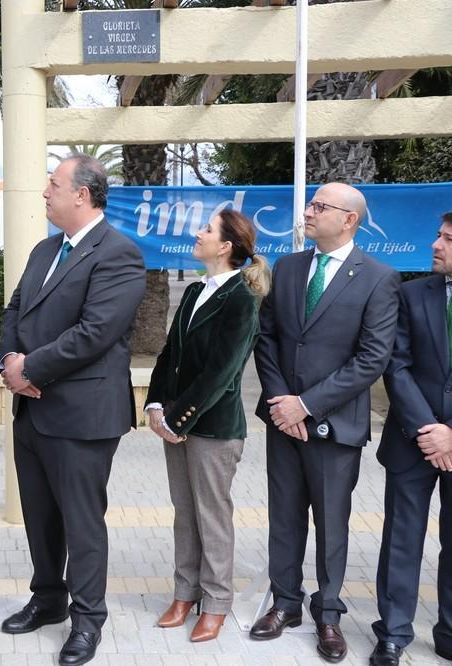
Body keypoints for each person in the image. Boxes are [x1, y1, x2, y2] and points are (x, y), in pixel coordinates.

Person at [0, 155, 146, 666]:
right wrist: (8, 362)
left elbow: (95, 333)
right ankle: (48, 600)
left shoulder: (119, 254)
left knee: (83, 523)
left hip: (82, 415)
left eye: (53, 185)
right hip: (33, 410)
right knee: (40, 517)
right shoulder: (44, 250)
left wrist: (30, 369)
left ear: (82, 194)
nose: (45, 193)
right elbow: (14, 310)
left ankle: (87, 621)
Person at [251, 182, 400, 662]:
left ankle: (329, 614)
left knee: (331, 524)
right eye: (310, 204)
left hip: (335, 426)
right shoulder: (290, 267)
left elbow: (372, 358)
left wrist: (307, 405)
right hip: (282, 421)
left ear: (349, 219)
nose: (308, 212)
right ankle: (285, 603)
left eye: (319, 206)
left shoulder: (378, 278)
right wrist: (280, 402)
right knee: (284, 518)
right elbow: (267, 338)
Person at [145, 209, 270, 642]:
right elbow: (168, 355)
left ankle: (216, 602)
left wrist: (178, 419)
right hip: (178, 422)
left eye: (207, 229)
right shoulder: (197, 288)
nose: (197, 233)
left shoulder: (241, 297)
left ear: (226, 246)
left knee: (211, 516)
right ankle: (185, 592)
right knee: (185, 512)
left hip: (214, 428)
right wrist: (155, 405)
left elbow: (221, 372)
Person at [370, 212, 452, 666]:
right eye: (438, 235)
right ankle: (394, 632)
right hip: (411, 440)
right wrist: (431, 431)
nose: (436, 245)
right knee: (402, 538)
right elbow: (395, 366)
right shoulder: (410, 294)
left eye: (447, 239)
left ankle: (449, 632)